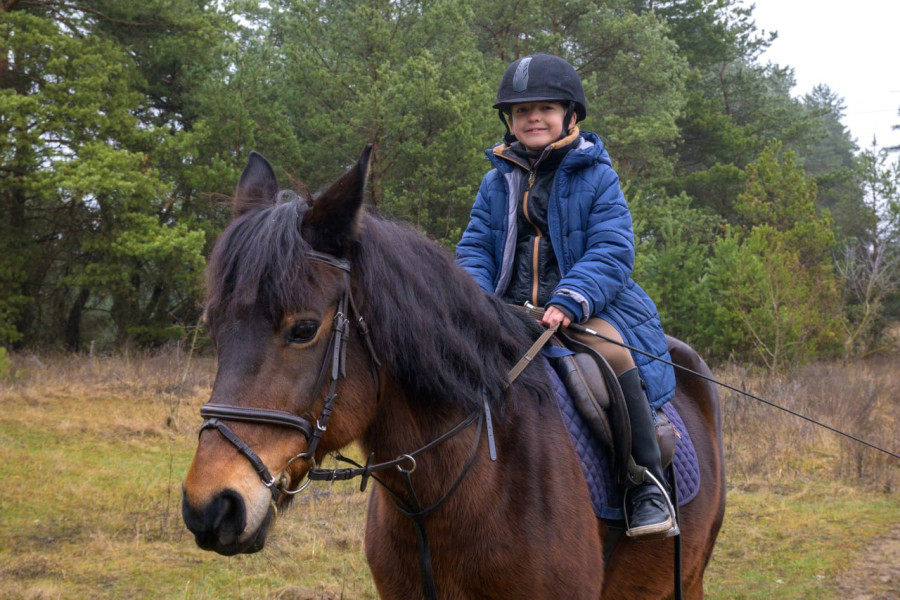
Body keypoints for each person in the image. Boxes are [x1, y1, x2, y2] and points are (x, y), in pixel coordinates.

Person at [456, 53, 678, 539]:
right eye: (521, 112)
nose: (533, 118)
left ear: (569, 116)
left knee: (613, 360)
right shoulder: (496, 183)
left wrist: (572, 296)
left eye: (545, 108)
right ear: (509, 123)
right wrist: (472, 300)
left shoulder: (596, 175)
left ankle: (645, 485)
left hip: (588, 306)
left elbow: (612, 247)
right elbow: (475, 246)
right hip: (507, 310)